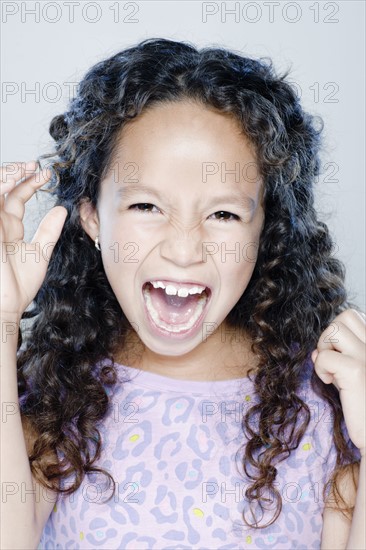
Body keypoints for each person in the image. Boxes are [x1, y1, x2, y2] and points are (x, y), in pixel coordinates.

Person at [1, 37, 365, 550]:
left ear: (265, 230)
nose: (184, 249)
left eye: (223, 214)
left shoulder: (325, 409)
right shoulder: (56, 402)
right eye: (147, 206)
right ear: (91, 217)